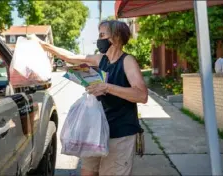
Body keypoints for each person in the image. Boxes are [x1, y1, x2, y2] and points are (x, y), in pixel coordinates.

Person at [28, 20, 148, 176]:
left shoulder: (127, 61)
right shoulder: (100, 59)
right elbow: (70, 56)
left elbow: (142, 95)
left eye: (102, 35)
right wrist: (43, 44)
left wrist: (107, 87)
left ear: (116, 37)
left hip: (120, 132)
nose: (99, 39)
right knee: (88, 172)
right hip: (97, 130)